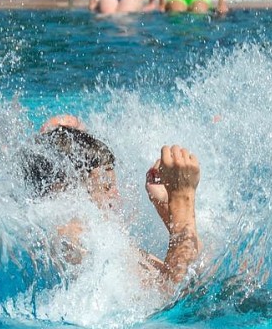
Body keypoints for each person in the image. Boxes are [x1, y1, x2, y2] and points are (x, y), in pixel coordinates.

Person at [19, 123, 201, 289]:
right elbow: (171, 297)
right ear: (66, 192)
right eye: (106, 186)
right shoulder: (72, 243)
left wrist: (167, 211)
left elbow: (194, 274)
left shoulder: (100, 240)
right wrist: (182, 202)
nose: (116, 196)